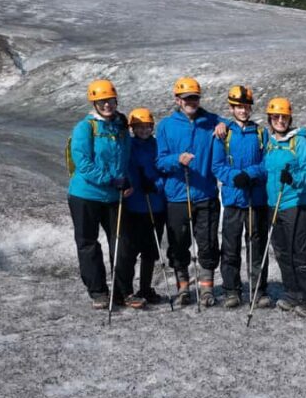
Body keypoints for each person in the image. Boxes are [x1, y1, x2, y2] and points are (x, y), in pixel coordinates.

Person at [67, 79, 144, 309]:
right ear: (94, 102)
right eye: (102, 101)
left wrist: (127, 179)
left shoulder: (120, 126)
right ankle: (99, 292)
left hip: (113, 195)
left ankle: (123, 291)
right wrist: (111, 180)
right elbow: (83, 163)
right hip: (85, 194)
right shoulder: (85, 127)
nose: (107, 105)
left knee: (121, 243)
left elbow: (125, 157)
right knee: (88, 243)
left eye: (110, 100)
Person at [155, 77, 225, 307]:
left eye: (194, 98)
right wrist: (177, 160)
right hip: (177, 194)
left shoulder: (211, 120)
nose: (191, 102)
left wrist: (226, 126)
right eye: (186, 98)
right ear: (177, 99)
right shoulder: (166, 125)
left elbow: (235, 123)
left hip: (206, 194)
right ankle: (183, 287)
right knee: (178, 244)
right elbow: (160, 161)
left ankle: (206, 288)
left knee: (207, 243)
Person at [264, 97, 306, 319]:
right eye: (276, 117)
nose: (280, 120)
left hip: (297, 204)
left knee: (299, 255)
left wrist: (293, 178)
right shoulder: (269, 142)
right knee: (282, 252)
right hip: (274, 205)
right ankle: (294, 294)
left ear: (290, 117)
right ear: (269, 119)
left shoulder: (299, 142)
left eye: (284, 117)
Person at [212, 85, 271, 308]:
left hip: (255, 200)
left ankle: (258, 289)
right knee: (230, 246)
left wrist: (251, 174)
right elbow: (217, 165)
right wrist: (234, 176)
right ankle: (232, 290)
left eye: (246, 107)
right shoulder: (223, 133)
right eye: (238, 107)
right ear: (231, 108)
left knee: (257, 245)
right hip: (233, 199)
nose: (243, 111)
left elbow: (267, 163)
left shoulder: (260, 132)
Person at [117, 108, 167, 305]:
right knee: (130, 251)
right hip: (134, 205)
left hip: (155, 204)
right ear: (132, 128)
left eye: (147, 127)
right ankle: (127, 290)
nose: (143, 130)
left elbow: (164, 170)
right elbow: (124, 169)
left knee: (150, 251)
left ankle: (146, 288)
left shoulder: (157, 145)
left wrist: (156, 185)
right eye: (139, 127)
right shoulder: (128, 146)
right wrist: (134, 183)